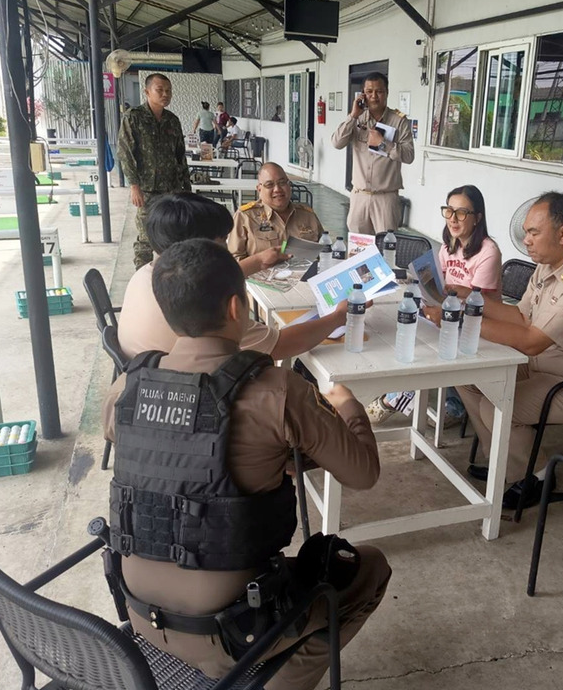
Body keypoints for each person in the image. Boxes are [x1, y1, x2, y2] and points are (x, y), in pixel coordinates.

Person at [103, 238, 390, 688]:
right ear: (237, 307)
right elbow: (363, 474)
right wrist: (348, 406)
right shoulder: (278, 390)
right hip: (236, 627)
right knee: (368, 568)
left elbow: (163, 450)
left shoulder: (127, 387)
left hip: (139, 617)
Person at [423, 191, 563, 510]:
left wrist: (459, 320)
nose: (526, 240)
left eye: (533, 232)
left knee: (497, 404)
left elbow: (532, 340)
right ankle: (504, 462)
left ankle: (537, 476)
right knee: (469, 377)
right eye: (526, 232)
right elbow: (521, 316)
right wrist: (469, 297)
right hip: (544, 365)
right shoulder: (550, 264)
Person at [118, 192, 360, 363]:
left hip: (146, 382)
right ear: (196, 247)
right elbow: (281, 345)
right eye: (222, 241)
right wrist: (338, 316)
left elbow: (203, 275)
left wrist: (258, 261)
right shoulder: (206, 307)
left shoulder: (148, 273)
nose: (226, 248)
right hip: (200, 396)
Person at [367, 185, 502, 426]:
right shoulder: (450, 246)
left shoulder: (488, 252)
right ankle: (407, 394)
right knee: (408, 328)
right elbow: (438, 284)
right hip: (449, 315)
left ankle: (407, 399)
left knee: (426, 343)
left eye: (462, 213)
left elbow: (480, 303)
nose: (453, 219)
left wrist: (442, 309)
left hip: (476, 325)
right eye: (449, 211)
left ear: (477, 218)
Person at [117, 73, 190, 269]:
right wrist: (134, 186)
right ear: (147, 92)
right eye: (160, 90)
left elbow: (180, 155)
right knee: (146, 237)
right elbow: (125, 153)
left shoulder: (172, 120)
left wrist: (186, 188)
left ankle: (169, 276)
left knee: (172, 234)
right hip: (147, 190)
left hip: (172, 189)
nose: (165, 94)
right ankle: (141, 278)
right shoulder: (134, 118)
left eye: (168, 91)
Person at [331, 72, 414, 234]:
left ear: (387, 93)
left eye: (379, 91)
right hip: (359, 196)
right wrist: (353, 116)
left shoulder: (399, 121)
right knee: (358, 246)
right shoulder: (357, 119)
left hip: (385, 198)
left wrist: (384, 144)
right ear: (363, 94)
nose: (374, 96)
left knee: (386, 245)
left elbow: (409, 155)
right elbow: (337, 142)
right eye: (369, 92)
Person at [228, 163, 324, 261]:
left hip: (306, 270)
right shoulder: (245, 217)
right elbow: (233, 261)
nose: (277, 189)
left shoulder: (308, 216)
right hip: (261, 271)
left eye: (282, 183)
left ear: (289, 185)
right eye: (269, 185)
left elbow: (325, 252)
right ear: (259, 189)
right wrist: (259, 262)